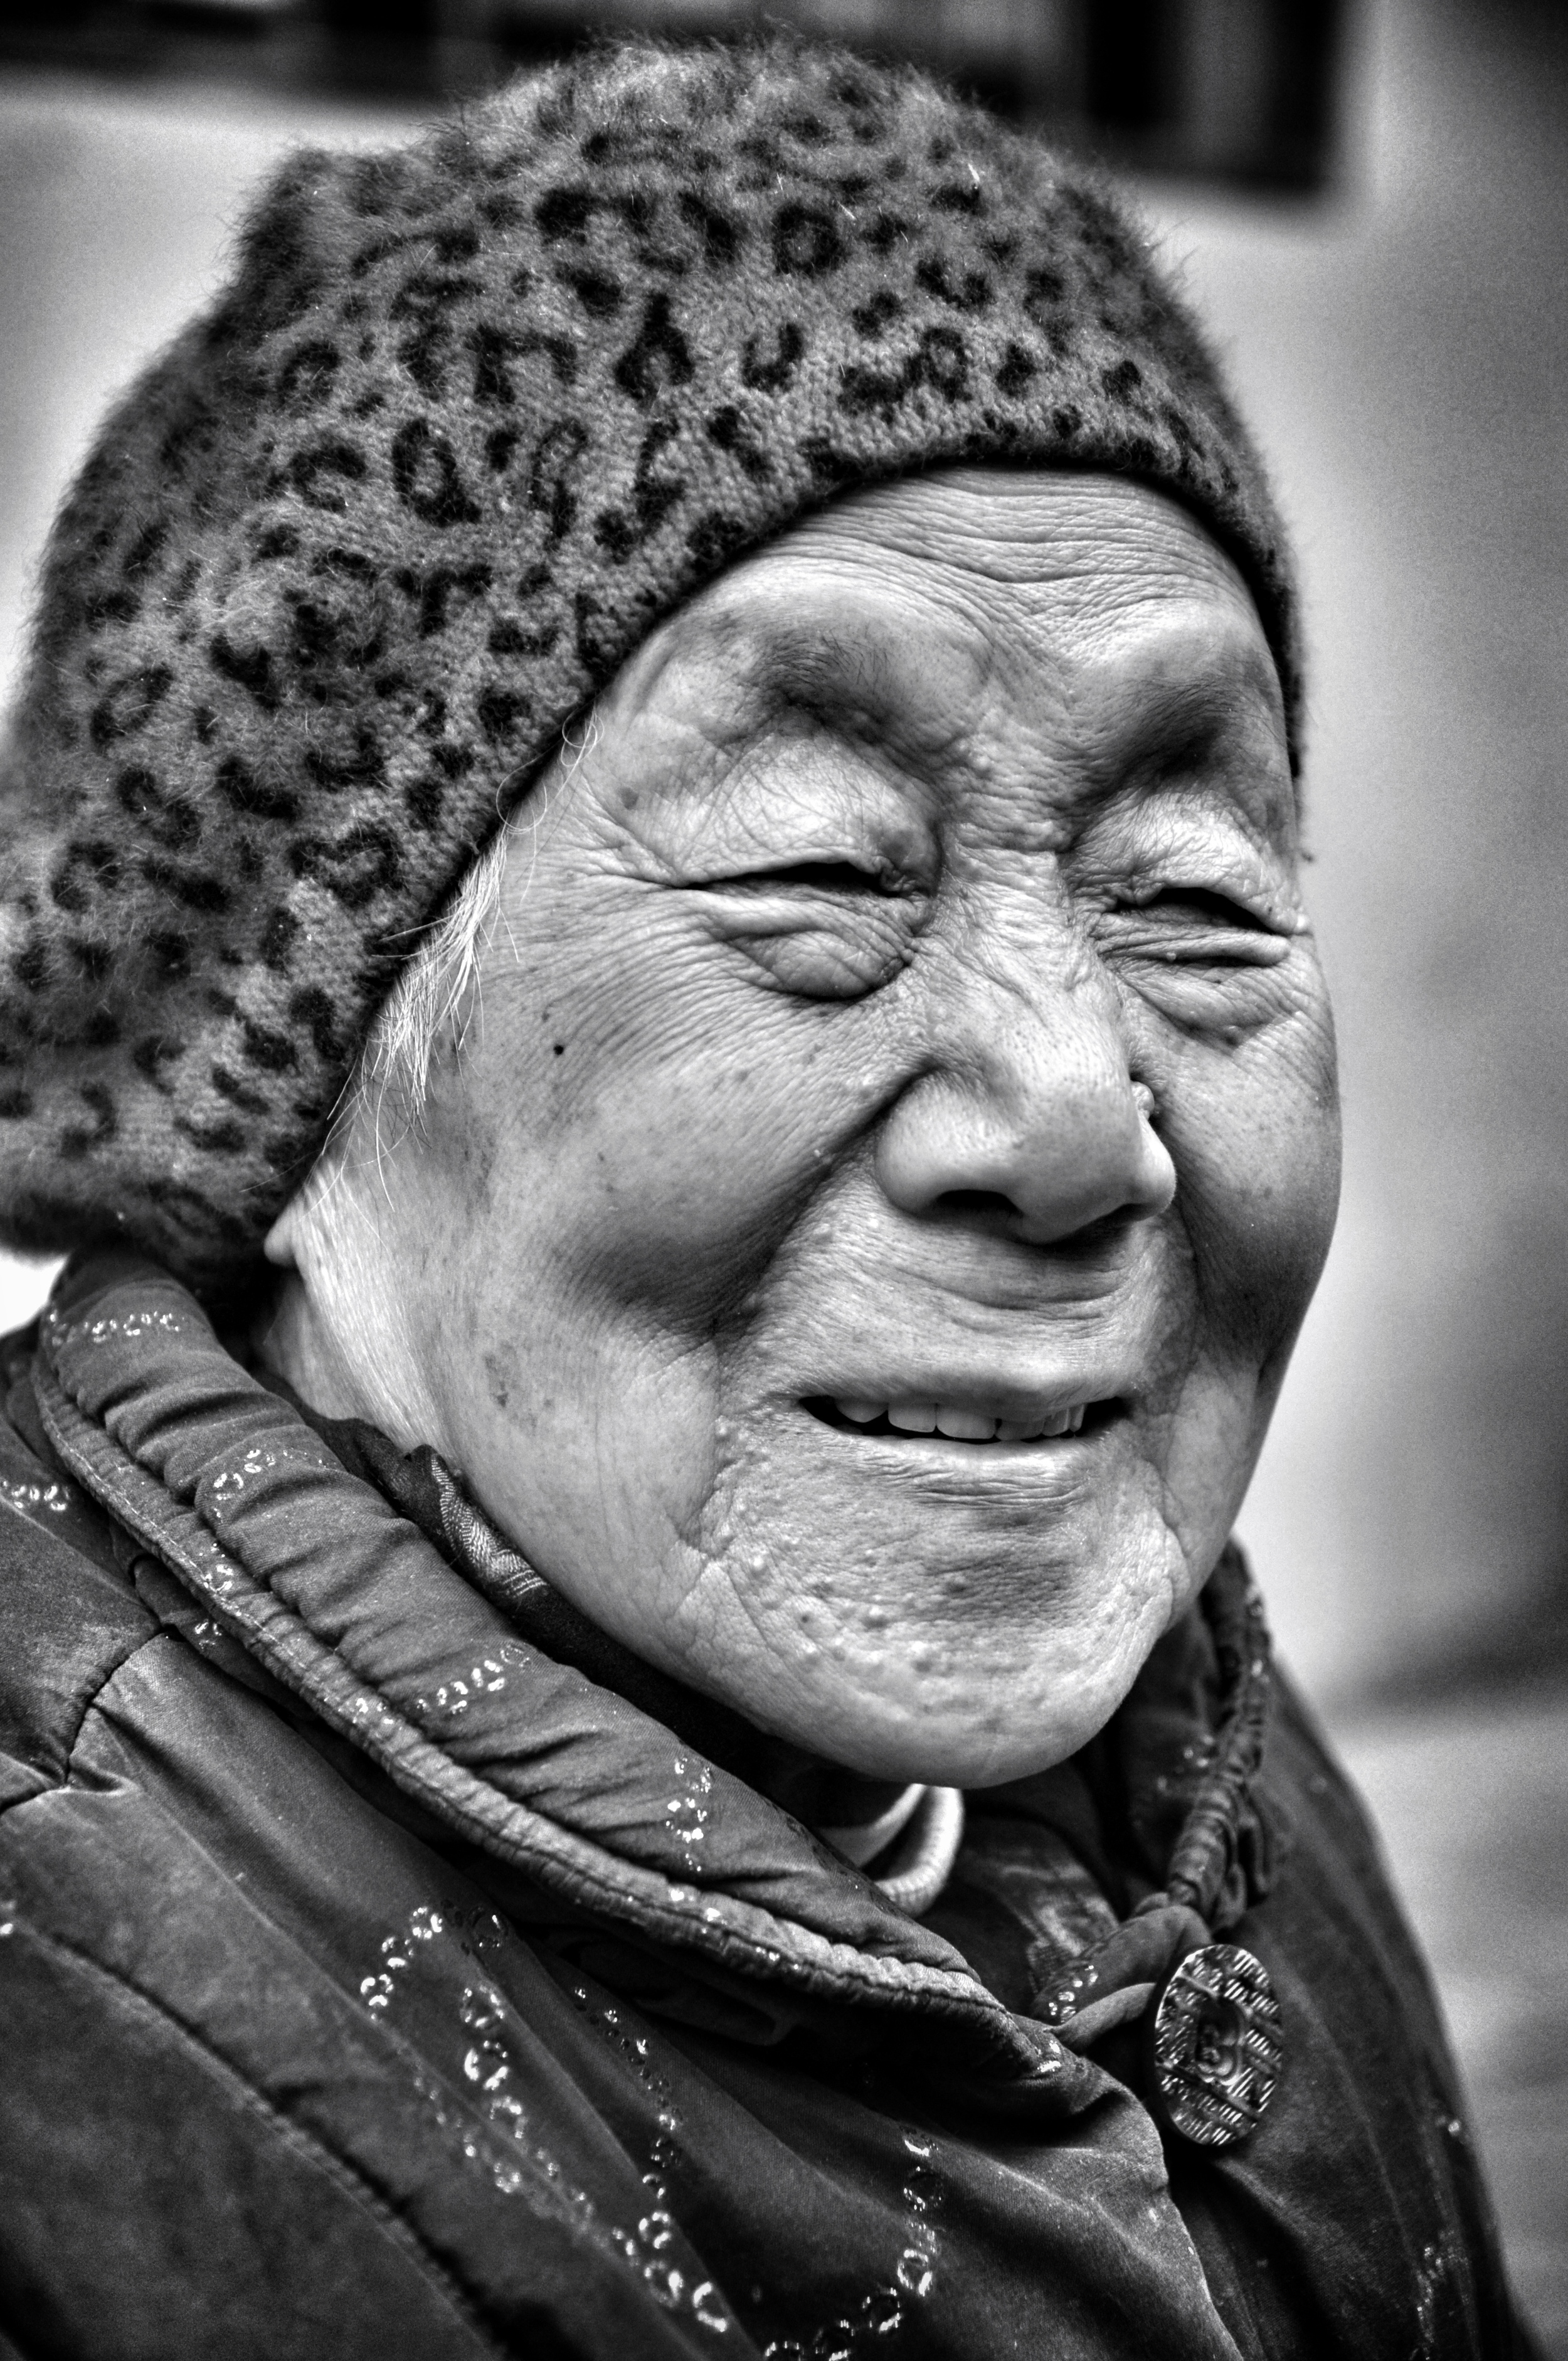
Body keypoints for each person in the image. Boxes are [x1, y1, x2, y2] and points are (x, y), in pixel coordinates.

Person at [0, 37, 1535, 2358]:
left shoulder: (1176, 1735)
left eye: (1195, 894)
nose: (1069, 1116)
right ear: (288, 1085)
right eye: (814, 869)